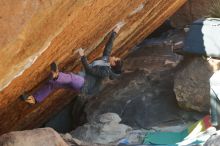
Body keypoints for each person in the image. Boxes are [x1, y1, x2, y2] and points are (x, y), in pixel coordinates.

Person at [21, 25, 123, 104]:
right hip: (82, 80)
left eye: (115, 58)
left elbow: (90, 71)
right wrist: (115, 31)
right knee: (54, 84)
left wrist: (83, 56)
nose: (113, 56)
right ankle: (33, 99)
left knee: (71, 78)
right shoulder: (106, 61)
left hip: (85, 85)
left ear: (113, 63)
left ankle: (57, 75)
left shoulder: (105, 73)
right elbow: (108, 47)